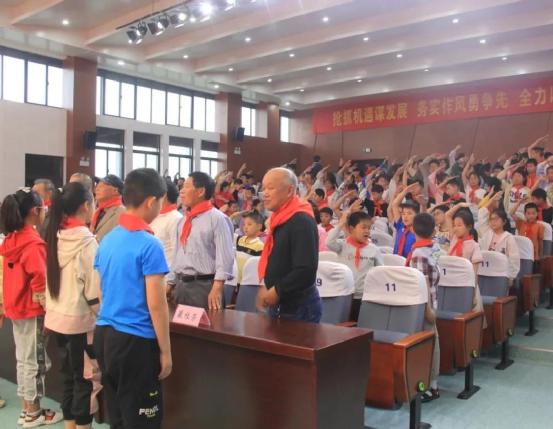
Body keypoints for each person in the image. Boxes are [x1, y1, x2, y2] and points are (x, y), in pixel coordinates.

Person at [93, 168, 171, 429]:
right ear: (151, 201)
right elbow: (156, 305)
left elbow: (101, 291)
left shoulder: (107, 239)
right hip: (135, 341)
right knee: (143, 420)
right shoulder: (149, 244)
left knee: (118, 417)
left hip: (105, 335)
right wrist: (166, 352)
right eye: (160, 202)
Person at [0, 190, 63, 427]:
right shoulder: (33, 244)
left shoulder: (11, 240)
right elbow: (40, 281)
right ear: (35, 211)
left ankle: (27, 409)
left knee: (23, 359)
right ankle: (34, 412)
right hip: (32, 309)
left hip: (15, 307)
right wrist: (49, 311)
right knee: (35, 362)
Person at [44, 182, 101, 429]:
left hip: (57, 319)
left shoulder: (54, 236)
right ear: (86, 206)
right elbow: (94, 292)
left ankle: (69, 425)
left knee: (68, 376)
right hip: (80, 322)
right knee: (86, 379)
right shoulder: (87, 243)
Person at [256, 168, 322, 323]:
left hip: (299, 307)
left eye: (270, 188)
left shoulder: (301, 220)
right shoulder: (280, 218)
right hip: (281, 304)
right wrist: (268, 285)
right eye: (263, 189)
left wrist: (278, 290)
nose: (265, 194)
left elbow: (306, 269)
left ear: (289, 191)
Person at [168, 172, 234, 310]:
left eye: (186, 186)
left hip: (204, 286)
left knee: (206, 323)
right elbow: (177, 255)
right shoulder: (183, 220)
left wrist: (217, 288)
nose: (181, 191)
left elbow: (225, 257)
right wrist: (170, 283)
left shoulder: (217, 219)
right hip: (181, 285)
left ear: (201, 191)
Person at [405, 213, 442, 402]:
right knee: (431, 342)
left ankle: (429, 387)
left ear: (413, 229)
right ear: (433, 230)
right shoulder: (434, 247)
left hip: (423, 305)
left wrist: (427, 310)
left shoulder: (419, 253)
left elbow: (423, 284)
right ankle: (431, 384)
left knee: (428, 345)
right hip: (432, 300)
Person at [326, 203, 383, 321]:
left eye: (369, 228)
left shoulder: (374, 250)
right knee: (344, 323)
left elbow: (380, 272)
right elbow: (329, 242)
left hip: (364, 296)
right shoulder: (342, 245)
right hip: (345, 294)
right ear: (351, 229)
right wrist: (341, 224)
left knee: (361, 324)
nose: (367, 231)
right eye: (363, 227)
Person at [478, 208, 520, 282]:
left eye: (496, 219)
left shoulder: (509, 238)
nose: (493, 222)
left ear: (504, 222)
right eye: (491, 219)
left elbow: (514, 260)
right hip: (486, 271)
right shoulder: (487, 234)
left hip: (502, 273)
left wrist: (511, 277)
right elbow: (481, 254)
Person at [151, 180, 183, 269]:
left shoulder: (176, 218)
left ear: (163, 195)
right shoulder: (153, 216)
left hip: (166, 273)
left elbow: (178, 253)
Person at [91, 175, 125, 243]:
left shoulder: (123, 212)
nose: (96, 189)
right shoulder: (96, 211)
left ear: (115, 190)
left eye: (101, 186)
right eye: (97, 186)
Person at [389, 183, 420, 258]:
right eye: (403, 214)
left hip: (409, 263)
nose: (405, 216)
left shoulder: (418, 231)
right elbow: (394, 204)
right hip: (395, 261)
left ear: (417, 215)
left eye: (409, 213)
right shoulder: (400, 225)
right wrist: (405, 191)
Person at [235, 210, 265, 283]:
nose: (245, 227)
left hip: (248, 283)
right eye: (244, 224)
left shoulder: (260, 246)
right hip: (235, 280)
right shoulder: (239, 240)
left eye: (249, 224)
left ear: (259, 226)